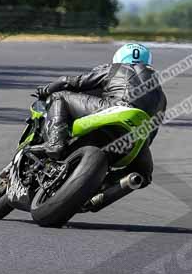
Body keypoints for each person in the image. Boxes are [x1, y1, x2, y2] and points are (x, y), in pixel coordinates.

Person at [35, 43, 166, 187]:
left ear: (119, 56)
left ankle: (55, 143)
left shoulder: (116, 68)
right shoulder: (161, 95)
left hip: (115, 109)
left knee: (60, 97)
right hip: (137, 133)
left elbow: (71, 82)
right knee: (144, 175)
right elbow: (150, 135)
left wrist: (46, 90)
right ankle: (104, 186)